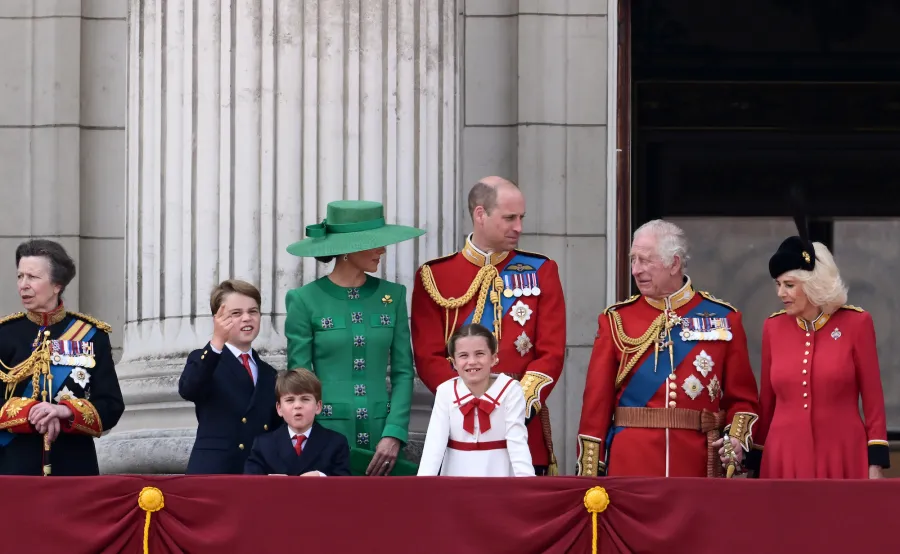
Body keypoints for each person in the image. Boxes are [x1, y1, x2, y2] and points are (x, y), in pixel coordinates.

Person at [575, 220, 761, 478]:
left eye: (646, 260)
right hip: (630, 464)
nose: (636, 270)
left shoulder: (724, 319)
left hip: (696, 465)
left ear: (674, 264)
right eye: (633, 260)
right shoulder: (616, 320)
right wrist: (590, 473)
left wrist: (736, 440)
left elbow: (743, 400)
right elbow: (595, 407)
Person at [411, 177, 566, 475]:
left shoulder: (542, 270)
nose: (519, 227)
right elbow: (428, 356)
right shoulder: (435, 276)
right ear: (480, 214)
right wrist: (468, 403)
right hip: (460, 426)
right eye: (510, 218)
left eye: (521, 217)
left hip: (521, 423)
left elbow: (552, 353)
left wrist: (512, 404)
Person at [284, 200, 423, 476]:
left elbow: (404, 371)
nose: (383, 249)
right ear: (347, 249)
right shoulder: (303, 300)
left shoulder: (392, 296)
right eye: (375, 242)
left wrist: (394, 432)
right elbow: (300, 378)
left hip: (383, 435)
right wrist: (314, 436)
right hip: (327, 433)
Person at [752, 222, 890, 479]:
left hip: (843, 453)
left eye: (789, 285)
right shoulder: (772, 327)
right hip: (783, 456)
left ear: (813, 284)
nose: (781, 293)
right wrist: (755, 460)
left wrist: (876, 462)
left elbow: (873, 400)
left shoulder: (856, 323)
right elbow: (766, 403)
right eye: (778, 284)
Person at [0, 239, 124, 476]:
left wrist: (66, 411)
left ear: (57, 285)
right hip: (14, 467)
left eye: (32, 278)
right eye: (20, 277)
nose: (23, 285)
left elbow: (111, 406)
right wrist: (30, 413)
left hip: (74, 466)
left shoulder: (91, 335)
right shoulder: (5, 334)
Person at [179, 279, 281, 474]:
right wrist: (217, 341)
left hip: (257, 473)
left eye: (253, 311)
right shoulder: (206, 359)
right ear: (217, 319)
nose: (246, 318)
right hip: (215, 471)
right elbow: (188, 388)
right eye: (236, 313)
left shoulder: (269, 373)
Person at [418, 323, 534, 477]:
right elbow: (434, 445)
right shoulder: (445, 391)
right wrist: (423, 487)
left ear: (493, 358)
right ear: (454, 363)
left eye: (479, 354)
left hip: (500, 478)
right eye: (463, 355)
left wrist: (527, 486)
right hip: (456, 480)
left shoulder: (511, 390)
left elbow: (517, 441)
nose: (472, 361)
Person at [244, 368, 351, 476]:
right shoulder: (263, 445)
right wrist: (269, 482)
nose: (297, 406)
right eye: (290, 400)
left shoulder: (336, 443)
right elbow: (249, 484)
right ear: (279, 408)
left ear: (318, 407)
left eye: (305, 399)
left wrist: (322, 477)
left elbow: (345, 486)